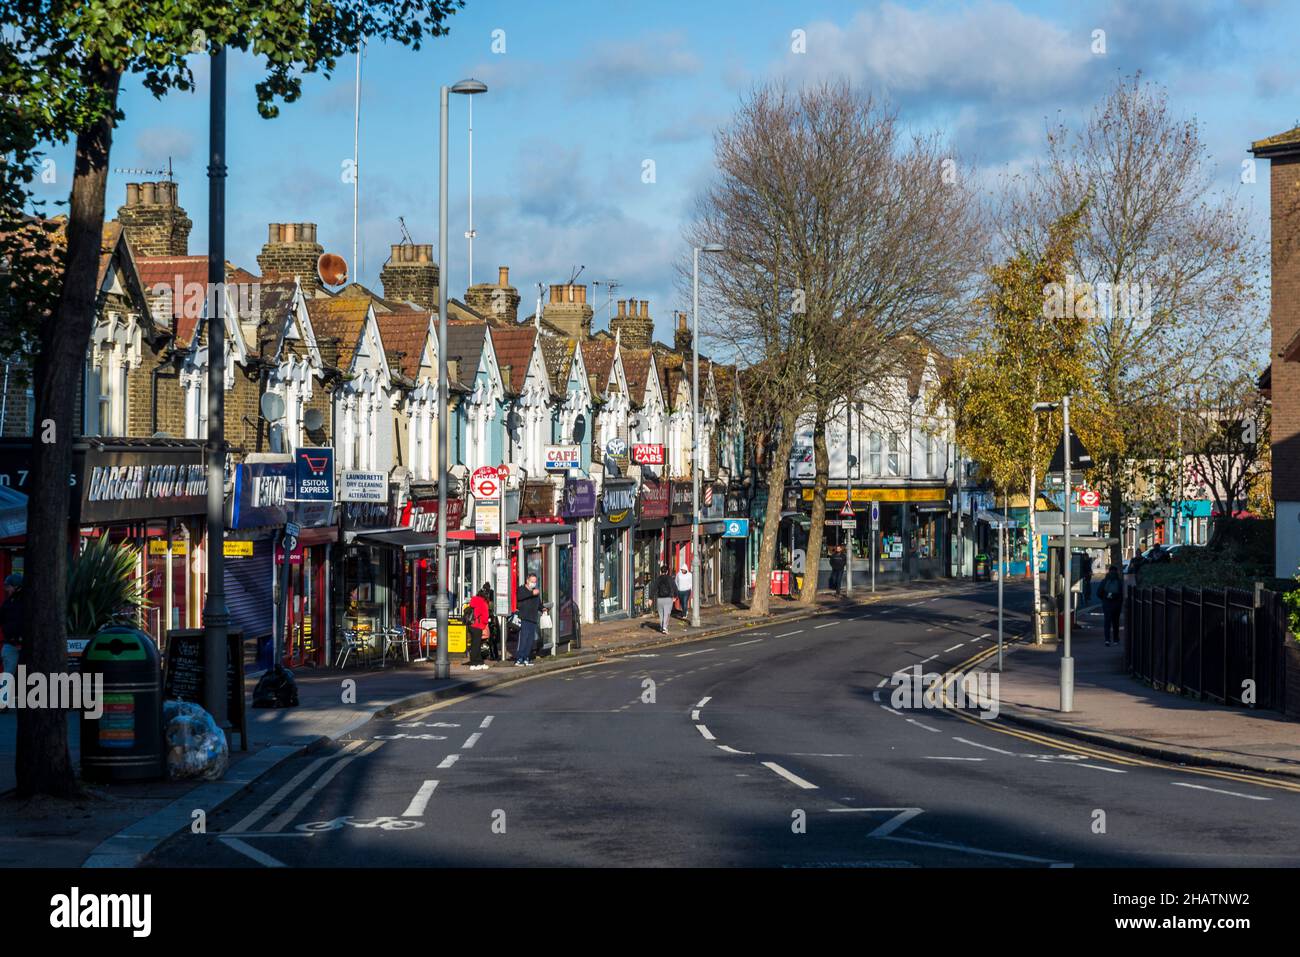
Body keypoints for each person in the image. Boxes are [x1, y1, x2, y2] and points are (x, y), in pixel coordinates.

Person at [0, 574, 23, 712]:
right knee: (8, 673)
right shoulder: (8, 603)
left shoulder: (26, 602)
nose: (5, 589)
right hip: (11, 643)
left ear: (16, 586)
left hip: (23, 644)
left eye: (8, 586)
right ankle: (3, 702)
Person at [514, 573, 542, 666]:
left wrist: (543, 608)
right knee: (523, 639)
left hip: (533, 619)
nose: (533, 583)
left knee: (530, 640)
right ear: (527, 580)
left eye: (535, 582)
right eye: (532, 581)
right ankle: (519, 659)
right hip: (524, 618)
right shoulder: (522, 589)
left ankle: (526, 657)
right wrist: (531, 593)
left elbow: (539, 604)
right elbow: (519, 597)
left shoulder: (536, 592)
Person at [1098, 564, 1124, 647]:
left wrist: (1104, 599)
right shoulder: (1119, 581)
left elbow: (1098, 592)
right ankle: (1116, 640)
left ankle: (1107, 640)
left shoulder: (1105, 581)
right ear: (1116, 572)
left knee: (1107, 622)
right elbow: (1122, 593)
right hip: (1116, 604)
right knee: (1115, 622)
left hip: (1107, 604)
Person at [466, 586, 491, 670]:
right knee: (476, 645)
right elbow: (485, 617)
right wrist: (485, 624)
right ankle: (474, 663)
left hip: (471, 625)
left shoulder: (474, 600)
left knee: (474, 644)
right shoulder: (483, 603)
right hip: (477, 625)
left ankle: (479, 662)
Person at [654, 564, 676, 635]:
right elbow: (675, 588)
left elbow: (654, 588)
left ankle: (661, 626)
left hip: (659, 599)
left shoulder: (658, 579)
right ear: (667, 571)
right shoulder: (670, 579)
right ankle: (664, 628)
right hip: (668, 599)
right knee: (667, 614)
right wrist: (675, 596)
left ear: (661, 571)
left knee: (661, 614)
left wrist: (651, 598)